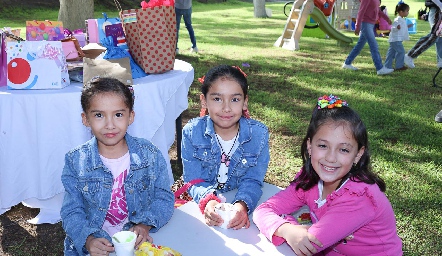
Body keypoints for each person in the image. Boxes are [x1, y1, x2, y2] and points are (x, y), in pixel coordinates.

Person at [253, 95, 403, 256]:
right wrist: (287, 229)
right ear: (310, 146)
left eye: (344, 149)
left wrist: (287, 224)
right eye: (323, 145)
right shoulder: (309, 179)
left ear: (358, 154)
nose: (331, 158)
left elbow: (308, 245)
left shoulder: (358, 197)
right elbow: (263, 210)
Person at [60, 77, 174, 256]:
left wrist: (145, 224)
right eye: (99, 115)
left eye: (118, 114)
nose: (110, 124)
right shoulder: (76, 161)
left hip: (138, 242)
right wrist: (88, 240)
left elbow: (164, 198)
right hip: (94, 246)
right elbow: (71, 211)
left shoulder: (149, 154)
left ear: (131, 116)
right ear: (86, 119)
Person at [181, 65, 270, 230]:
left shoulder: (259, 135)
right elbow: (194, 179)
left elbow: (252, 180)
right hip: (202, 203)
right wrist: (209, 200)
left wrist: (242, 204)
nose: (226, 108)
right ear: (203, 100)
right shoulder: (191, 133)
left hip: (237, 201)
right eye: (217, 99)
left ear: (245, 102)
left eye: (235, 99)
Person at [342, 0, 394, 75]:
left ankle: (347, 63)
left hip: (371, 24)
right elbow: (361, 11)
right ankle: (380, 68)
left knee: (359, 46)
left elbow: (377, 10)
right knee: (374, 45)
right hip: (366, 24)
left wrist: (386, 18)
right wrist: (357, 27)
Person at [404, 0, 442, 68]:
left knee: (438, 36)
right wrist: (441, 6)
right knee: (433, 37)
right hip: (437, 11)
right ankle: (410, 55)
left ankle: (440, 60)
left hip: (438, 10)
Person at [384, 2, 412, 71]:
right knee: (401, 52)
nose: (408, 12)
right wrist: (397, 28)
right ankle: (399, 66)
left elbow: (402, 27)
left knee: (391, 53)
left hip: (395, 40)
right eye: (407, 11)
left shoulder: (402, 19)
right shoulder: (397, 19)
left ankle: (387, 66)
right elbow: (393, 28)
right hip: (395, 40)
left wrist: (407, 26)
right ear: (401, 12)